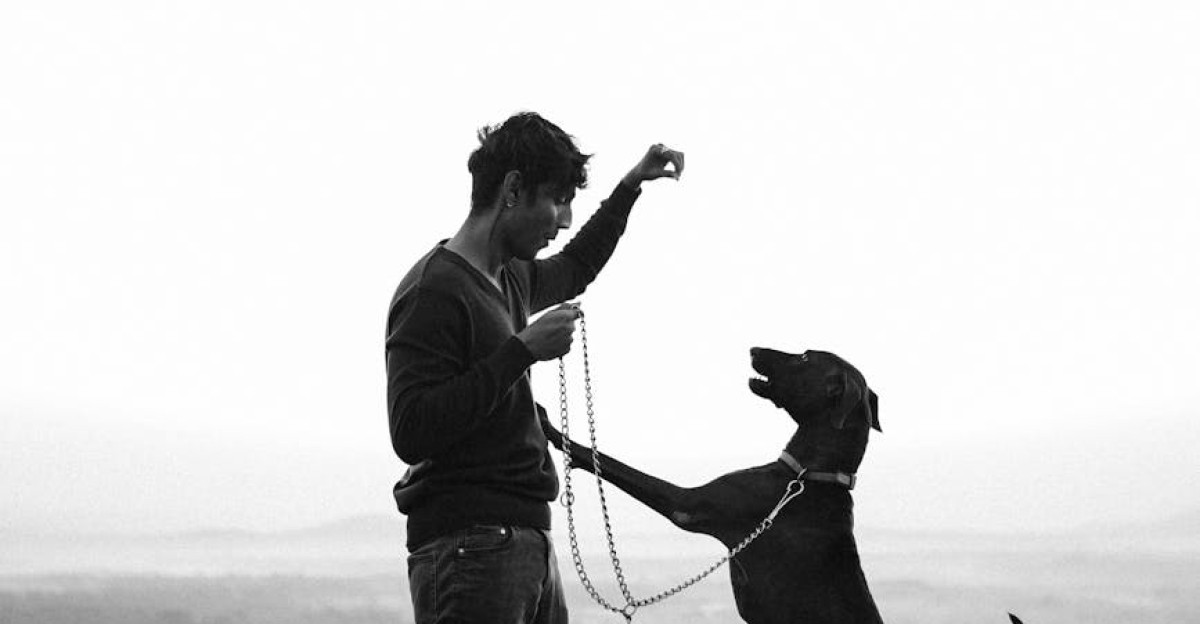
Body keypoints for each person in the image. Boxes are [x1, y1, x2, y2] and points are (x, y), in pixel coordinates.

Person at [384, 111, 683, 624]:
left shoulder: (510, 276)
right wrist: (521, 351)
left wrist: (631, 185)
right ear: (514, 189)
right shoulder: (433, 290)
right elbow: (411, 430)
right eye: (558, 200)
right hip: (469, 549)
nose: (563, 219)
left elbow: (574, 269)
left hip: (524, 544)